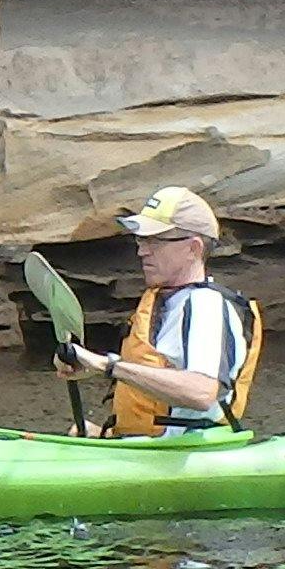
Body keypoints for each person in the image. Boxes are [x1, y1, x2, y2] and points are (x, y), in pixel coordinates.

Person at [67, 186, 260, 435]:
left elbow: (201, 392)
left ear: (194, 248)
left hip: (189, 452)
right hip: (156, 448)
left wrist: (108, 366)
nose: (142, 250)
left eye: (156, 241)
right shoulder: (169, 302)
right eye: (141, 240)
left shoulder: (205, 305)